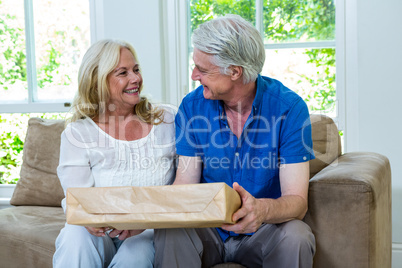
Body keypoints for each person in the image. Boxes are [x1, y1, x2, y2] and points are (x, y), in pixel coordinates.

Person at [154, 14, 316, 268]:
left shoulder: (289, 109)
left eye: (203, 69)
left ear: (234, 72)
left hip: (263, 232)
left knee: (296, 235)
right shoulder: (192, 107)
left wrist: (260, 210)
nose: (194, 75)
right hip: (207, 230)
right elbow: (184, 185)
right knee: (171, 229)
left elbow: (297, 202)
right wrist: (143, 218)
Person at [53, 39, 176, 268]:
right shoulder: (79, 133)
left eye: (136, 69)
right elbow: (77, 200)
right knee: (75, 235)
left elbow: (186, 186)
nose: (135, 79)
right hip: (104, 233)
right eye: (123, 73)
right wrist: (88, 219)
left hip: (150, 230)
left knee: (135, 253)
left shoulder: (168, 120)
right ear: (98, 80)